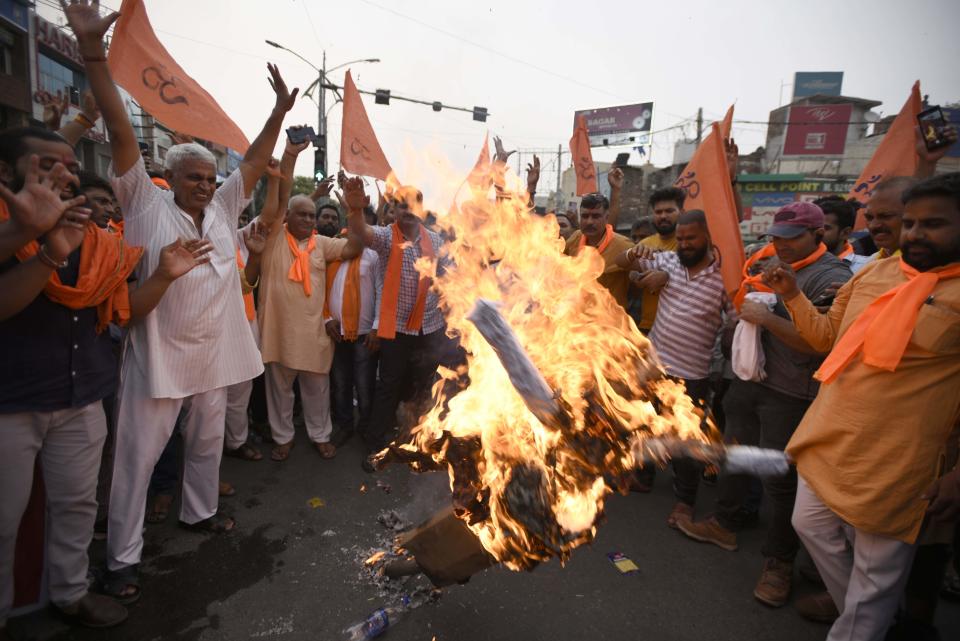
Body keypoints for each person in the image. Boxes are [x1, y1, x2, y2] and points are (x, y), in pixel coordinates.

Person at [61, 0, 296, 600]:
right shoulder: (143, 202)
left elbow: (254, 164)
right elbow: (118, 129)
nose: (207, 184)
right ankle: (122, 559)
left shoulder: (220, 211)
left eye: (209, 178)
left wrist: (277, 112)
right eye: (195, 176)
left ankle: (197, 511)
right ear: (172, 176)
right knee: (136, 462)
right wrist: (92, 54)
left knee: (208, 444)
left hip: (213, 353)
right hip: (157, 353)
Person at [0, 126, 211, 631]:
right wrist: (40, 242)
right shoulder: (9, 231)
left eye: (71, 166)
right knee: (4, 520)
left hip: (81, 397)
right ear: (8, 175)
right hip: (12, 400)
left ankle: (71, 594)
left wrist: (163, 275)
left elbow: (122, 314)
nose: (65, 175)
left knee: (77, 505)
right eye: (48, 166)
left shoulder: (99, 243)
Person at [761, 173, 960, 641]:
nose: (913, 234)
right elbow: (826, 337)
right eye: (908, 223)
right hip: (831, 437)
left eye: (932, 224)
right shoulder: (875, 271)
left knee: (875, 583)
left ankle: (862, 623)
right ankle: (869, 615)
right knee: (808, 524)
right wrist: (791, 295)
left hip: (899, 463)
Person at [677, 201, 852, 608]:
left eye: (792, 238)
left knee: (779, 480)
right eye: (776, 237)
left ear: (818, 235)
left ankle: (779, 562)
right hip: (749, 381)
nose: (782, 245)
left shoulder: (832, 277)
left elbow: (820, 342)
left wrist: (767, 317)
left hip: (791, 394)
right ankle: (726, 520)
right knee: (734, 457)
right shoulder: (766, 263)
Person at [247, 140, 362, 462]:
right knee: (279, 392)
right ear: (288, 217)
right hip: (278, 331)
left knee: (316, 391)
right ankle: (282, 438)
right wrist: (289, 158)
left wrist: (355, 210)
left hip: (314, 334)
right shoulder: (271, 238)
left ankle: (320, 435)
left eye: (313, 215)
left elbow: (353, 248)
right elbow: (279, 202)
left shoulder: (323, 243)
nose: (310, 220)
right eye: (304, 215)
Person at [617, 210, 734, 525]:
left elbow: (736, 314)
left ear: (708, 237)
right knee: (644, 424)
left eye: (691, 238)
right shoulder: (668, 261)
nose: (683, 244)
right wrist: (634, 253)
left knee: (684, 439)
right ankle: (644, 476)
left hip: (692, 374)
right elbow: (624, 262)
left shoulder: (726, 275)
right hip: (654, 366)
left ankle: (685, 500)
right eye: (680, 239)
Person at [345, 178, 446, 468]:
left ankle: (414, 440)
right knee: (388, 385)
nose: (408, 211)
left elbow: (449, 279)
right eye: (402, 206)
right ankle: (376, 445)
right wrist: (354, 210)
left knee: (422, 387)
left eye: (413, 205)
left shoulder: (436, 241)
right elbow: (362, 232)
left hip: (429, 328)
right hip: (397, 330)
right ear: (395, 210)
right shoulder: (387, 237)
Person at [325, 223, 382, 448]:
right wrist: (327, 319)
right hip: (336, 333)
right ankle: (345, 425)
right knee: (340, 383)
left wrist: (377, 327)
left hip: (364, 333)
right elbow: (321, 290)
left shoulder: (373, 256)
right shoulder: (334, 255)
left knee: (365, 384)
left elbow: (381, 290)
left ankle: (366, 428)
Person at [563, 192, 633, 306]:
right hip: (576, 318)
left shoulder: (623, 246)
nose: (589, 222)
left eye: (596, 216)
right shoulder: (575, 238)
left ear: (606, 218)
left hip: (609, 319)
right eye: (585, 216)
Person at [635, 187, 684, 332]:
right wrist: (638, 277)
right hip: (647, 326)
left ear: (681, 212)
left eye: (669, 211)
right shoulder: (644, 245)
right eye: (658, 212)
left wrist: (666, 277)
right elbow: (631, 275)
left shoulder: (689, 244)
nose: (663, 216)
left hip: (680, 327)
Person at [815, 195, 872, 273]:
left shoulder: (865, 269)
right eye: (812, 227)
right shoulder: (797, 263)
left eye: (825, 228)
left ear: (846, 233)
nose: (817, 232)